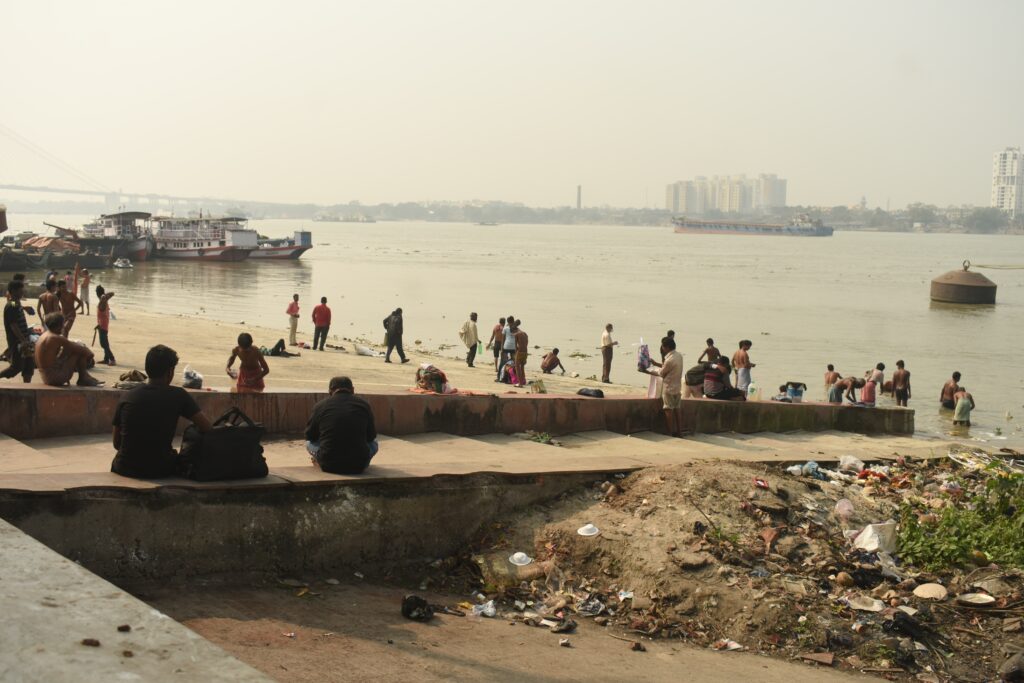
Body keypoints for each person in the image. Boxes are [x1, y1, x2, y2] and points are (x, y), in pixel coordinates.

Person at [110, 344, 212, 478]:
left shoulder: (128, 396)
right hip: (160, 469)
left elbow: (116, 443)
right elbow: (207, 428)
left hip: (123, 467)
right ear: (170, 372)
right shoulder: (178, 395)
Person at [305, 376, 379, 475]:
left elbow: (310, 436)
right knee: (374, 443)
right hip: (359, 465)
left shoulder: (320, 406)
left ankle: (318, 460)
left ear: (330, 391)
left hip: (328, 464)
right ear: (352, 390)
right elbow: (371, 436)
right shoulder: (364, 405)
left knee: (309, 443)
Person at [34, 312, 102, 387]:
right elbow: (87, 352)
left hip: (45, 377)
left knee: (72, 349)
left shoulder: (44, 335)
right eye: (62, 324)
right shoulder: (55, 338)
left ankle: (85, 376)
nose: (63, 327)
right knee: (78, 351)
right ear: (59, 325)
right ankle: (83, 378)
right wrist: (88, 357)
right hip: (54, 378)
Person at [1, 280, 36, 383]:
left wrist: (24, 308)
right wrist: (23, 340)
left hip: (25, 340)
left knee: (29, 366)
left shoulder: (15, 303)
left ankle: (27, 387)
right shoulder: (11, 306)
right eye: (20, 291)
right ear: (13, 291)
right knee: (16, 367)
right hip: (17, 342)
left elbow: (14, 304)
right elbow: (13, 325)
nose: (22, 292)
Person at [647, 337, 683, 436]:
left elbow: (662, 373)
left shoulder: (669, 360)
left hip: (669, 388)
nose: (662, 348)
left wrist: (647, 370)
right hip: (677, 387)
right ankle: (680, 432)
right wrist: (655, 363)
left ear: (666, 347)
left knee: (668, 410)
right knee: (677, 409)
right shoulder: (679, 356)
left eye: (663, 346)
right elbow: (667, 367)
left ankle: (670, 432)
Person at [95, 285, 116, 366]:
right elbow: (112, 293)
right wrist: (104, 296)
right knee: (105, 343)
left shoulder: (102, 302)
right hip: (102, 325)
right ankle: (106, 359)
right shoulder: (104, 301)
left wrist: (103, 296)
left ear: (97, 293)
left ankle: (112, 359)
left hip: (103, 327)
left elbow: (112, 293)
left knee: (103, 344)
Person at [512, 319, 529, 387]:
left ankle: (520, 383)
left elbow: (515, 346)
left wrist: (515, 354)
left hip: (520, 352)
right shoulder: (525, 333)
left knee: (517, 367)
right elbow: (526, 343)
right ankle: (523, 381)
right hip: (525, 352)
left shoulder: (516, 334)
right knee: (522, 366)